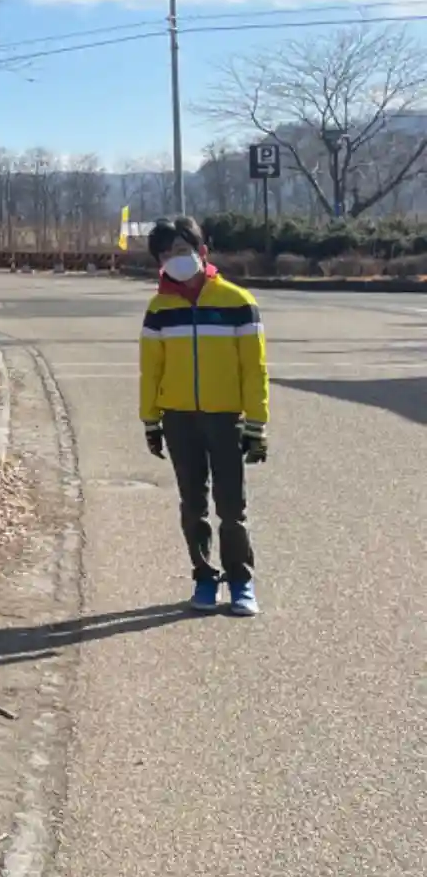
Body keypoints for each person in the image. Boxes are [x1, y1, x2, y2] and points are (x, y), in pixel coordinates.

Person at [138, 216, 269, 617]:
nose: (174, 259)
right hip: (179, 419)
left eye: (181, 250)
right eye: (165, 254)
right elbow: (151, 370)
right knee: (192, 504)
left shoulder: (238, 302)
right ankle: (204, 576)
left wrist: (257, 423)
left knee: (231, 506)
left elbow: (254, 369)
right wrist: (150, 420)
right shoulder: (159, 309)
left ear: (202, 252)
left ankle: (241, 580)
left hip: (226, 418)